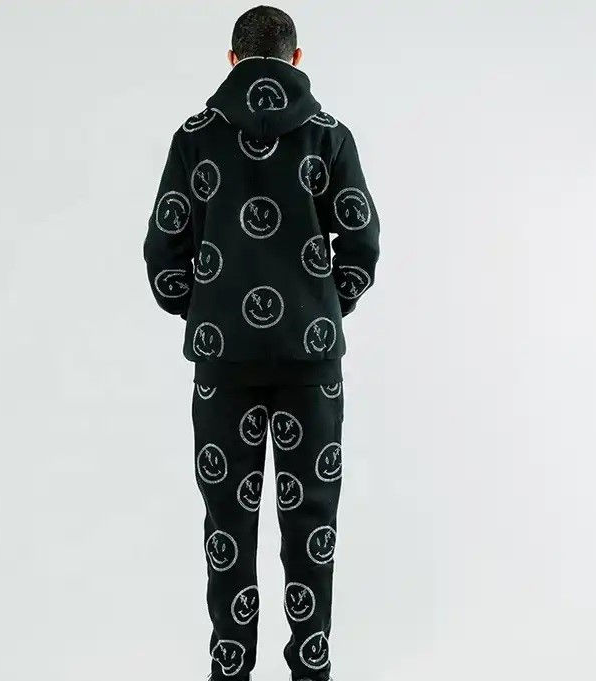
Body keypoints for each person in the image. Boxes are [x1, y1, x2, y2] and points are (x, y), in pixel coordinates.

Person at [144, 6, 380, 680]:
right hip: (312, 364)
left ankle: (230, 670)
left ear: (232, 60)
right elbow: (362, 244)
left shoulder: (194, 139)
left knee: (228, 527)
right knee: (312, 527)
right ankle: (311, 670)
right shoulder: (329, 137)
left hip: (223, 365)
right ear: (296, 59)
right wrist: (321, 310)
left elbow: (163, 254)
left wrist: (211, 312)